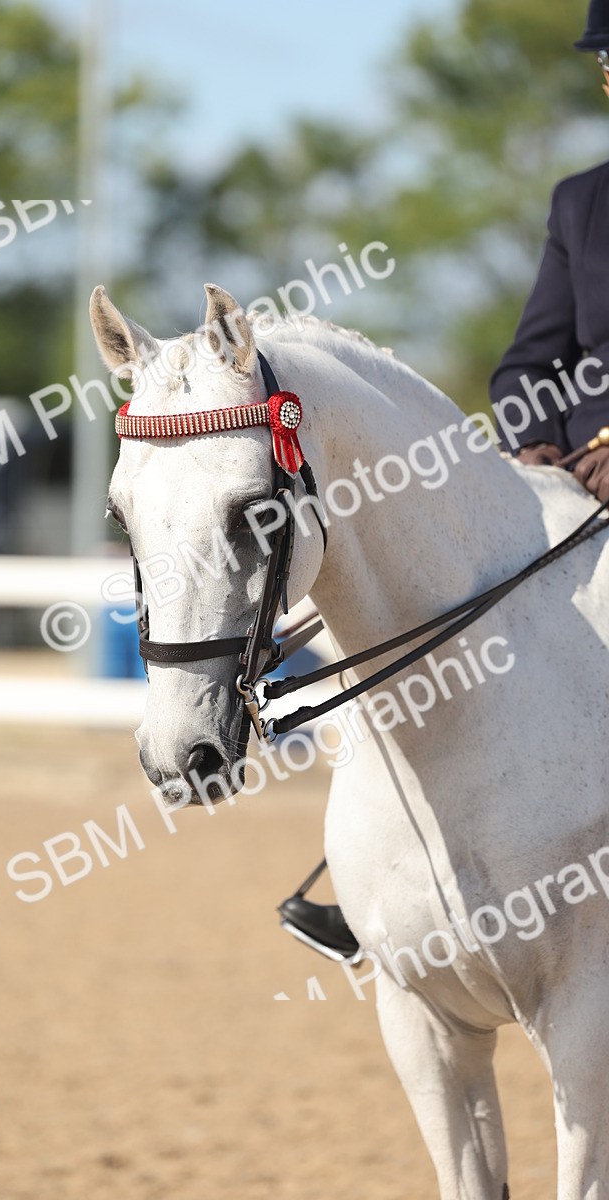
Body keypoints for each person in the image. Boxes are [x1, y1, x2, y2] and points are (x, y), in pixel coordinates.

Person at [278, 0, 609, 961]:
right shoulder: (581, 203)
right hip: (576, 485)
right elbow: (528, 361)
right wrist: (536, 446)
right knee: (432, 608)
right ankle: (378, 877)